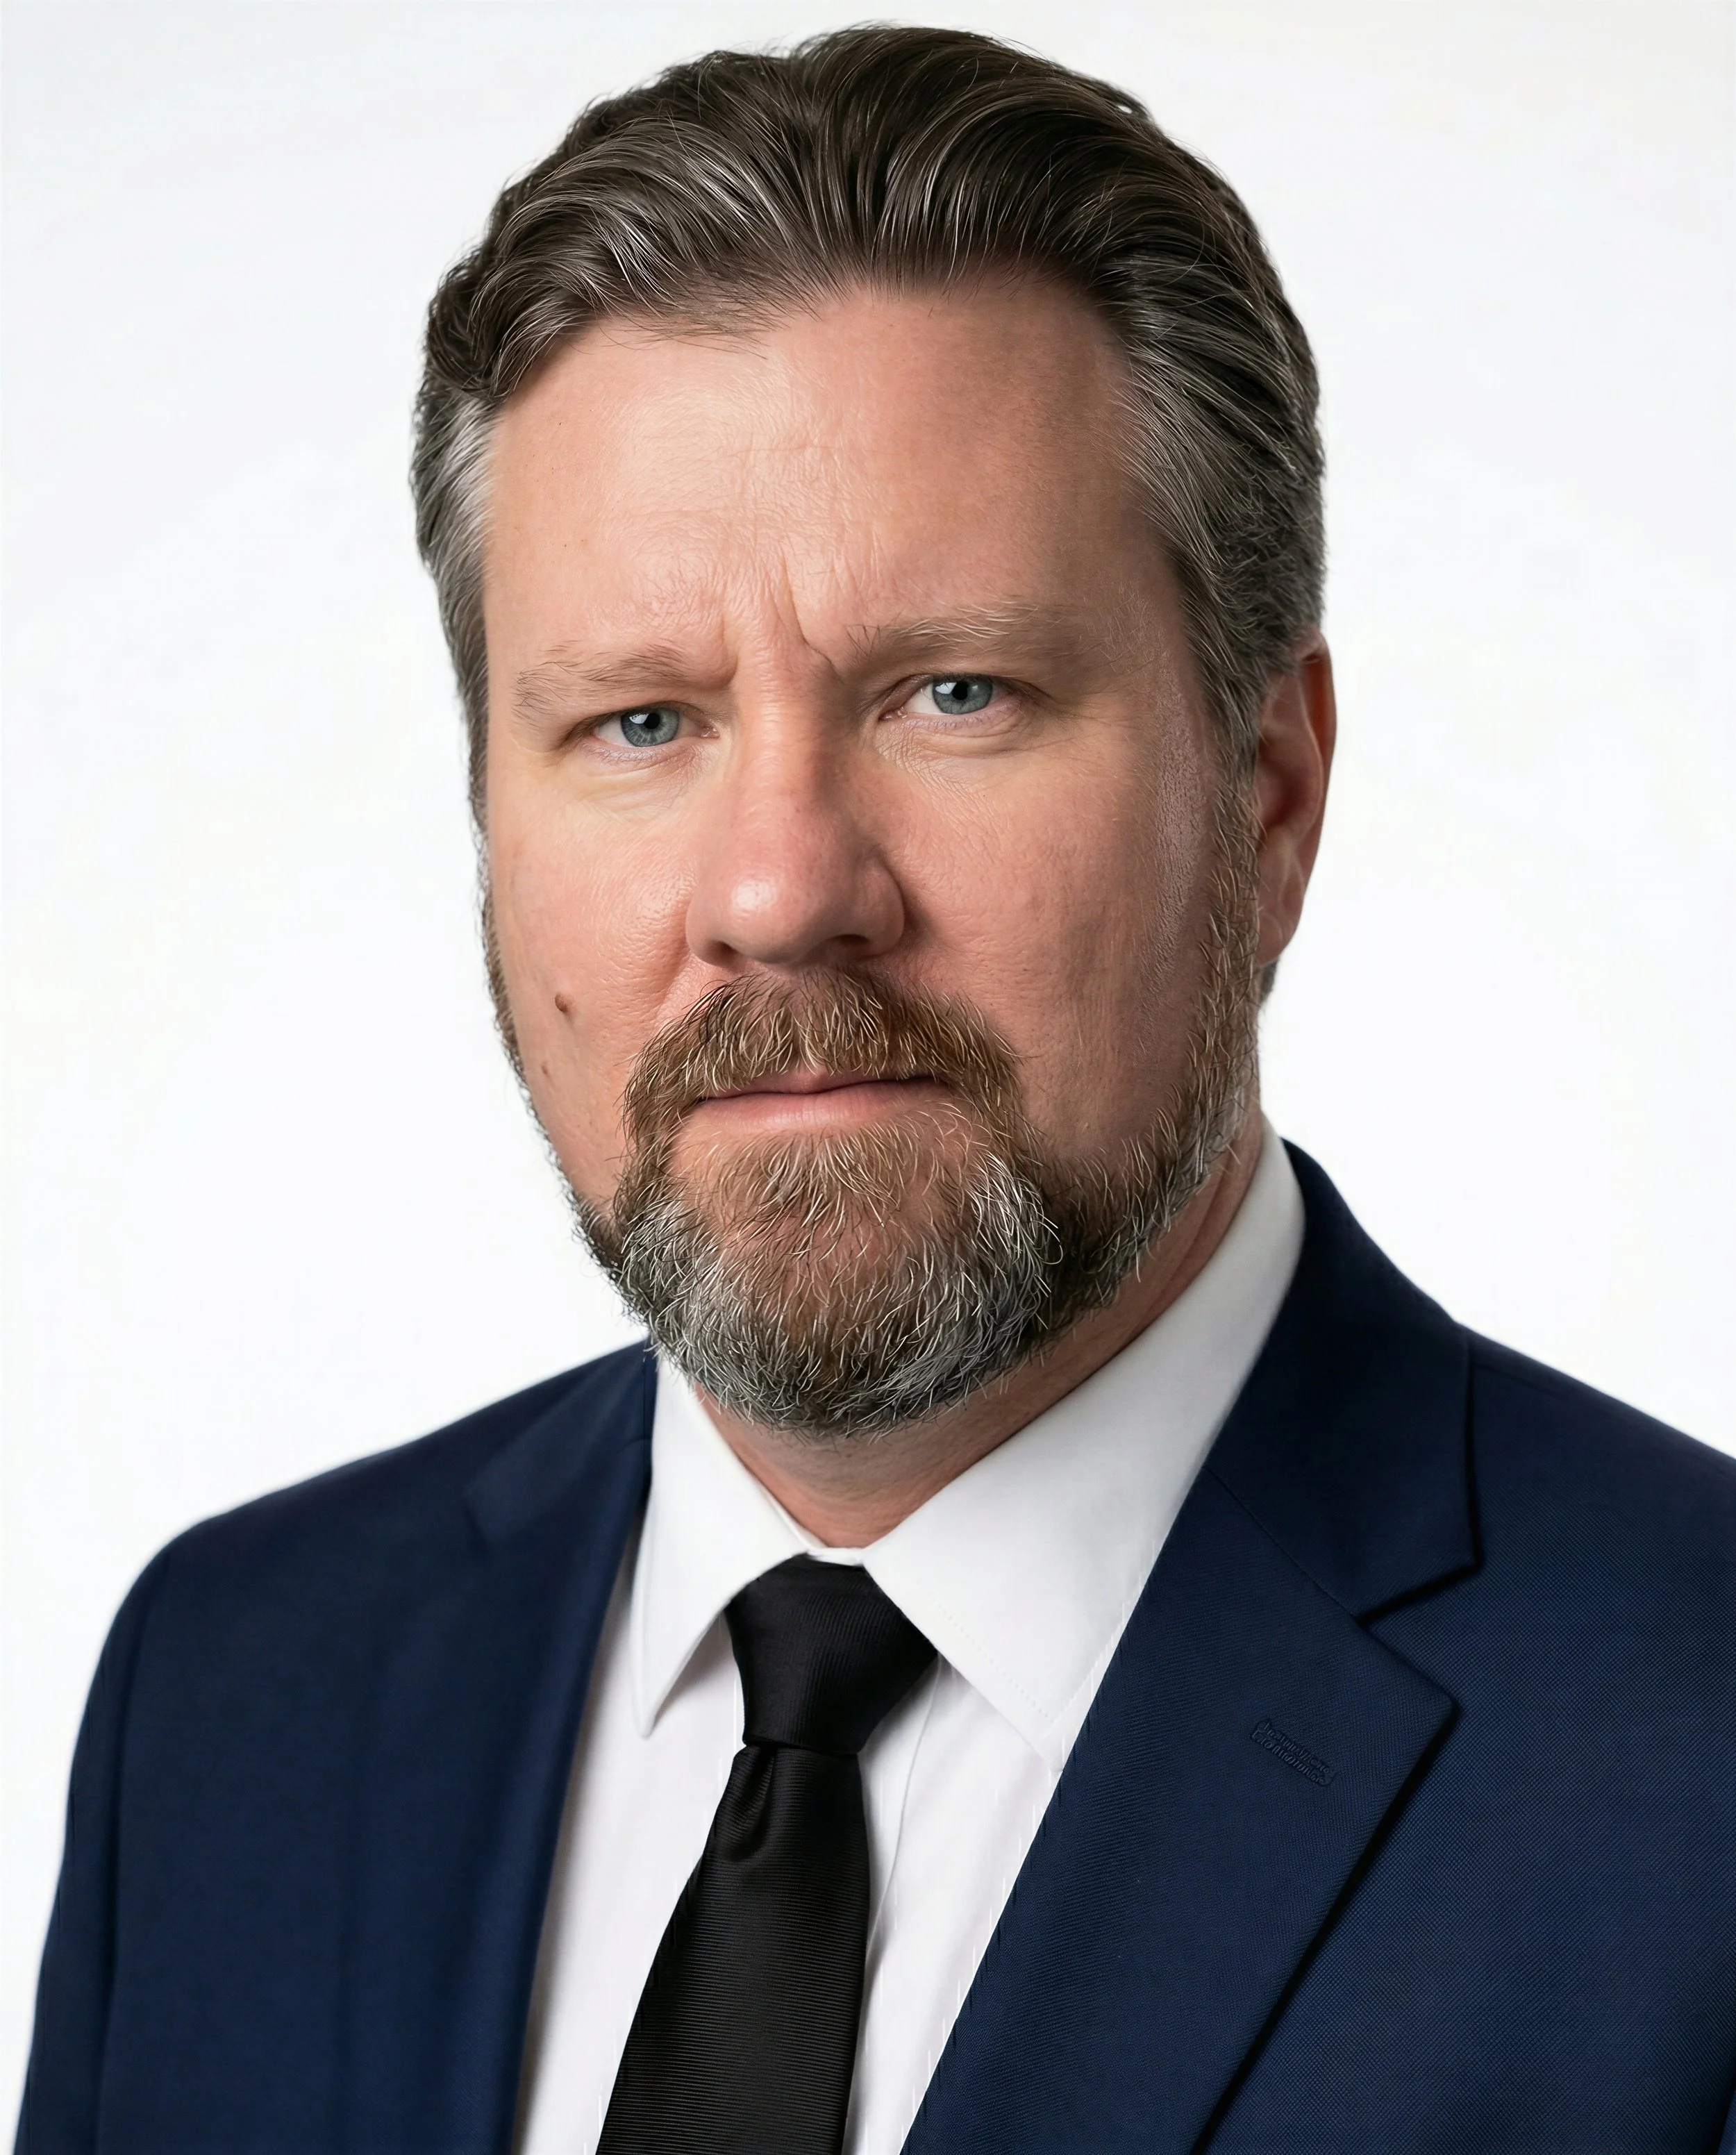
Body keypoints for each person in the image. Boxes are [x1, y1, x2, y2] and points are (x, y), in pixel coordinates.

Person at [17, 26, 1735, 2155]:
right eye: (637, 721)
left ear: (1268, 796)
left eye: (953, 692)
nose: (775, 891)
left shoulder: (1696, 1755)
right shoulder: (233, 1695)